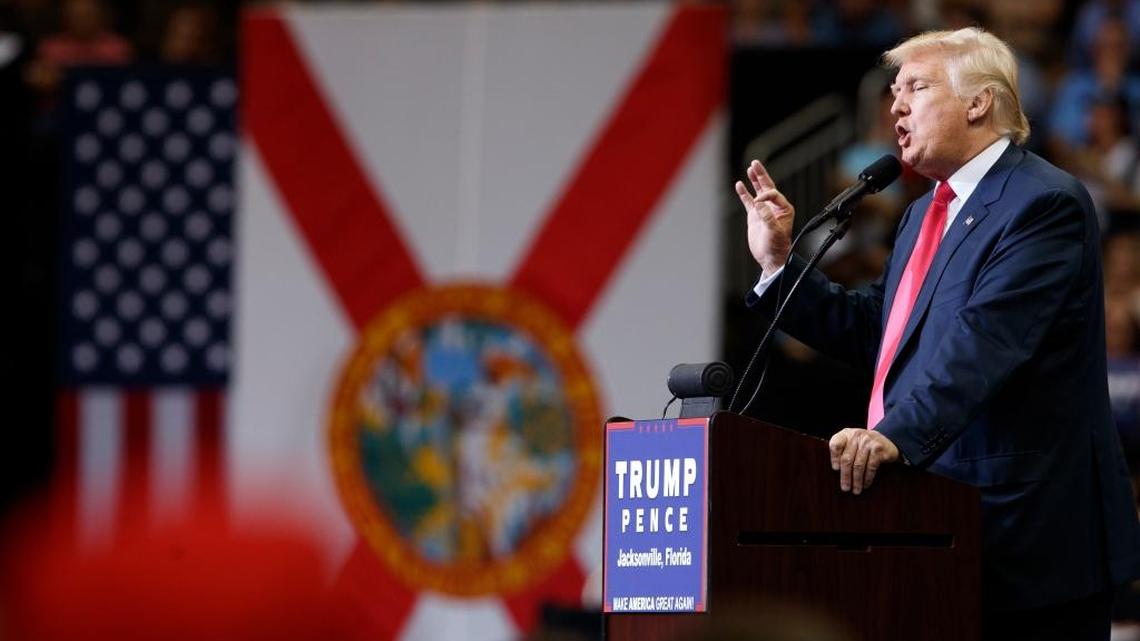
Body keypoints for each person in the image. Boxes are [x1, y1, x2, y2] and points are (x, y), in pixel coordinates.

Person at [736, 27, 1140, 640]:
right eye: (893, 92)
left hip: (1027, 540)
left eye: (915, 88)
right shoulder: (925, 212)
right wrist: (778, 267)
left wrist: (891, 435)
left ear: (978, 102)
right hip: (935, 528)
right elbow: (884, 331)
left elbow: (984, 343)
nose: (894, 105)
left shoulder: (1043, 204)